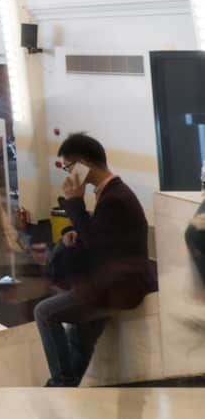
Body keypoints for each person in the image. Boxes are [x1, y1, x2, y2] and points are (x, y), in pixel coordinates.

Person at [35, 133, 157, 387]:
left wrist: (74, 203)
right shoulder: (114, 193)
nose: (68, 173)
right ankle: (69, 384)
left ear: (82, 163)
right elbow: (103, 238)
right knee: (79, 334)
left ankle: (62, 383)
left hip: (116, 285)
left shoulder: (115, 197)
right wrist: (77, 230)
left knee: (44, 313)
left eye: (69, 166)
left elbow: (97, 245)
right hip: (116, 281)